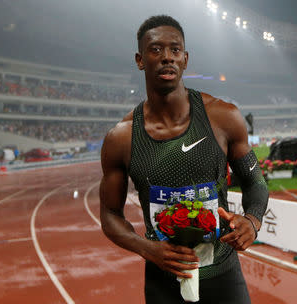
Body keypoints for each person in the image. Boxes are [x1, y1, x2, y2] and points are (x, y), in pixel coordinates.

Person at [100, 15, 268, 303]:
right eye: (156, 50)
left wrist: (252, 221)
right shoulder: (122, 138)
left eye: (175, 50)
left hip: (223, 277)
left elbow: (255, 183)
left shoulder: (223, 117)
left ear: (185, 59)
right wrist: (145, 248)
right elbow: (110, 215)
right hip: (162, 282)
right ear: (140, 60)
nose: (167, 57)